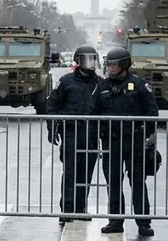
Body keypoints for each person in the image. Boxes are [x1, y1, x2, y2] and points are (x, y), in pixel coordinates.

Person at [46, 45, 123, 224]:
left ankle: (80, 208)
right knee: (70, 172)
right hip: (71, 133)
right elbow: (52, 105)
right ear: (79, 61)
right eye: (88, 59)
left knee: (86, 173)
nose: (92, 63)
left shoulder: (101, 83)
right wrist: (53, 127)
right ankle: (67, 209)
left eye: (94, 59)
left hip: (91, 134)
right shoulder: (66, 82)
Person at [91, 46, 159, 237]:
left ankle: (143, 223)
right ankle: (115, 221)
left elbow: (152, 114)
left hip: (134, 143)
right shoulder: (102, 87)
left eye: (114, 65)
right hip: (111, 144)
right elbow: (91, 113)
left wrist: (144, 136)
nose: (111, 69)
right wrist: (96, 135)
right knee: (113, 182)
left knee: (137, 182)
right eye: (109, 65)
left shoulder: (139, 85)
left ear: (124, 65)